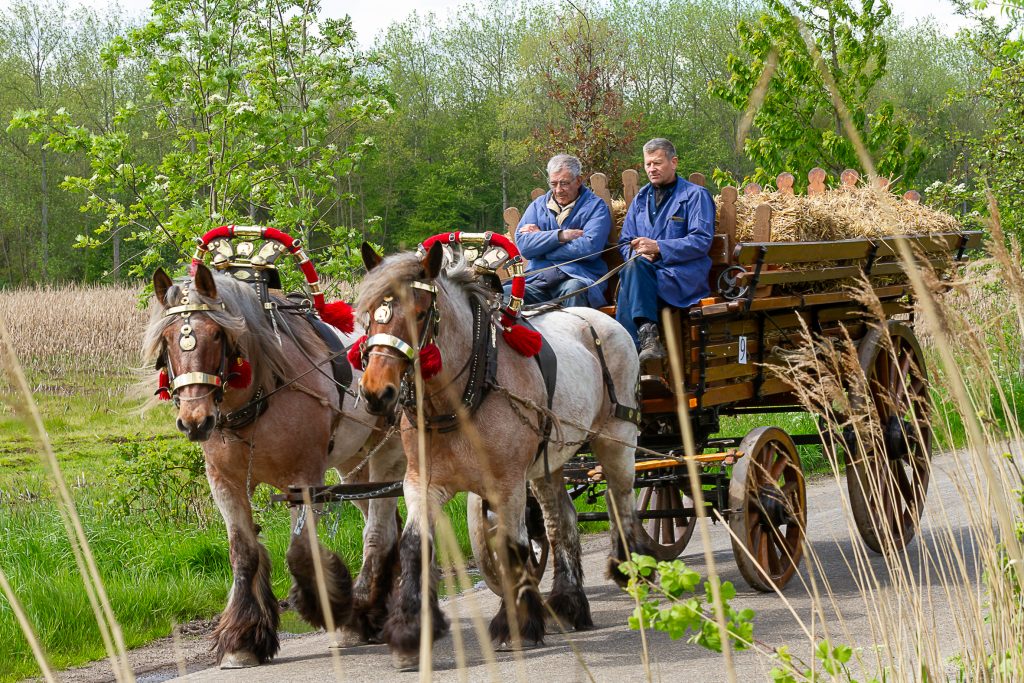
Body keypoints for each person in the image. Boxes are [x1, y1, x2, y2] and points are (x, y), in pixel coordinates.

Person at [616, 138, 715, 362]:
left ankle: (629, 355)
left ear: (674, 162)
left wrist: (659, 247)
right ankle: (647, 338)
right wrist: (640, 254)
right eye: (648, 164)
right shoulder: (640, 198)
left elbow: (701, 241)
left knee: (628, 286)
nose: (652, 169)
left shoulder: (696, 196)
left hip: (682, 275)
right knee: (634, 268)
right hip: (646, 273)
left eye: (657, 163)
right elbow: (625, 242)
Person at [509, 153, 612, 308]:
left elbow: (589, 248)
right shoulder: (538, 206)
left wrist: (542, 246)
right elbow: (524, 247)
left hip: (577, 277)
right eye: (553, 184)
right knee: (505, 294)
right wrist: (560, 236)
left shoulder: (596, 207)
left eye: (564, 183)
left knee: (574, 290)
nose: (558, 190)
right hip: (538, 280)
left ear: (578, 180)